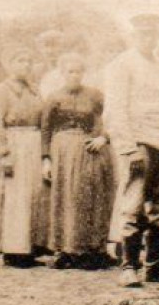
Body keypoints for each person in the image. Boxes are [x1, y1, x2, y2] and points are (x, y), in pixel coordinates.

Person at [103, 14, 159, 285]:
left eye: (152, 34)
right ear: (133, 36)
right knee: (133, 204)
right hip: (138, 143)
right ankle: (129, 266)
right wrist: (128, 148)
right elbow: (115, 111)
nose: (148, 39)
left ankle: (155, 264)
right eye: (142, 34)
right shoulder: (121, 66)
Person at [41, 53, 114, 271]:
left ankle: (92, 249)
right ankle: (64, 249)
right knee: (65, 197)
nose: (74, 75)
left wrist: (104, 137)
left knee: (89, 197)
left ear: (84, 73)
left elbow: (110, 117)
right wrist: (46, 159)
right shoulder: (53, 98)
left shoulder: (95, 95)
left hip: (88, 150)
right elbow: (46, 129)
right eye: (70, 71)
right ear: (62, 73)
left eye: (78, 71)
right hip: (62, 150)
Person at [0, 46, 48, 268]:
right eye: (20, 60)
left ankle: (29, 247)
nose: (26, 65)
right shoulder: (0, 91)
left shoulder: (35, 90)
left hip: (34, 144)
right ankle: (13, 250)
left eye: (29, 61)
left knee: (33, 195)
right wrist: (4, 152)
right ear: (10, 64)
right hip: (13, 145)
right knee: (14, 197)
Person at [35, 29, 68, 99]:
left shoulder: (71, 68)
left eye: (55, 46)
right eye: (46, 46)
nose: (50, 51)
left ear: (63, 48)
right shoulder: (36, 71)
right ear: (40, 49)